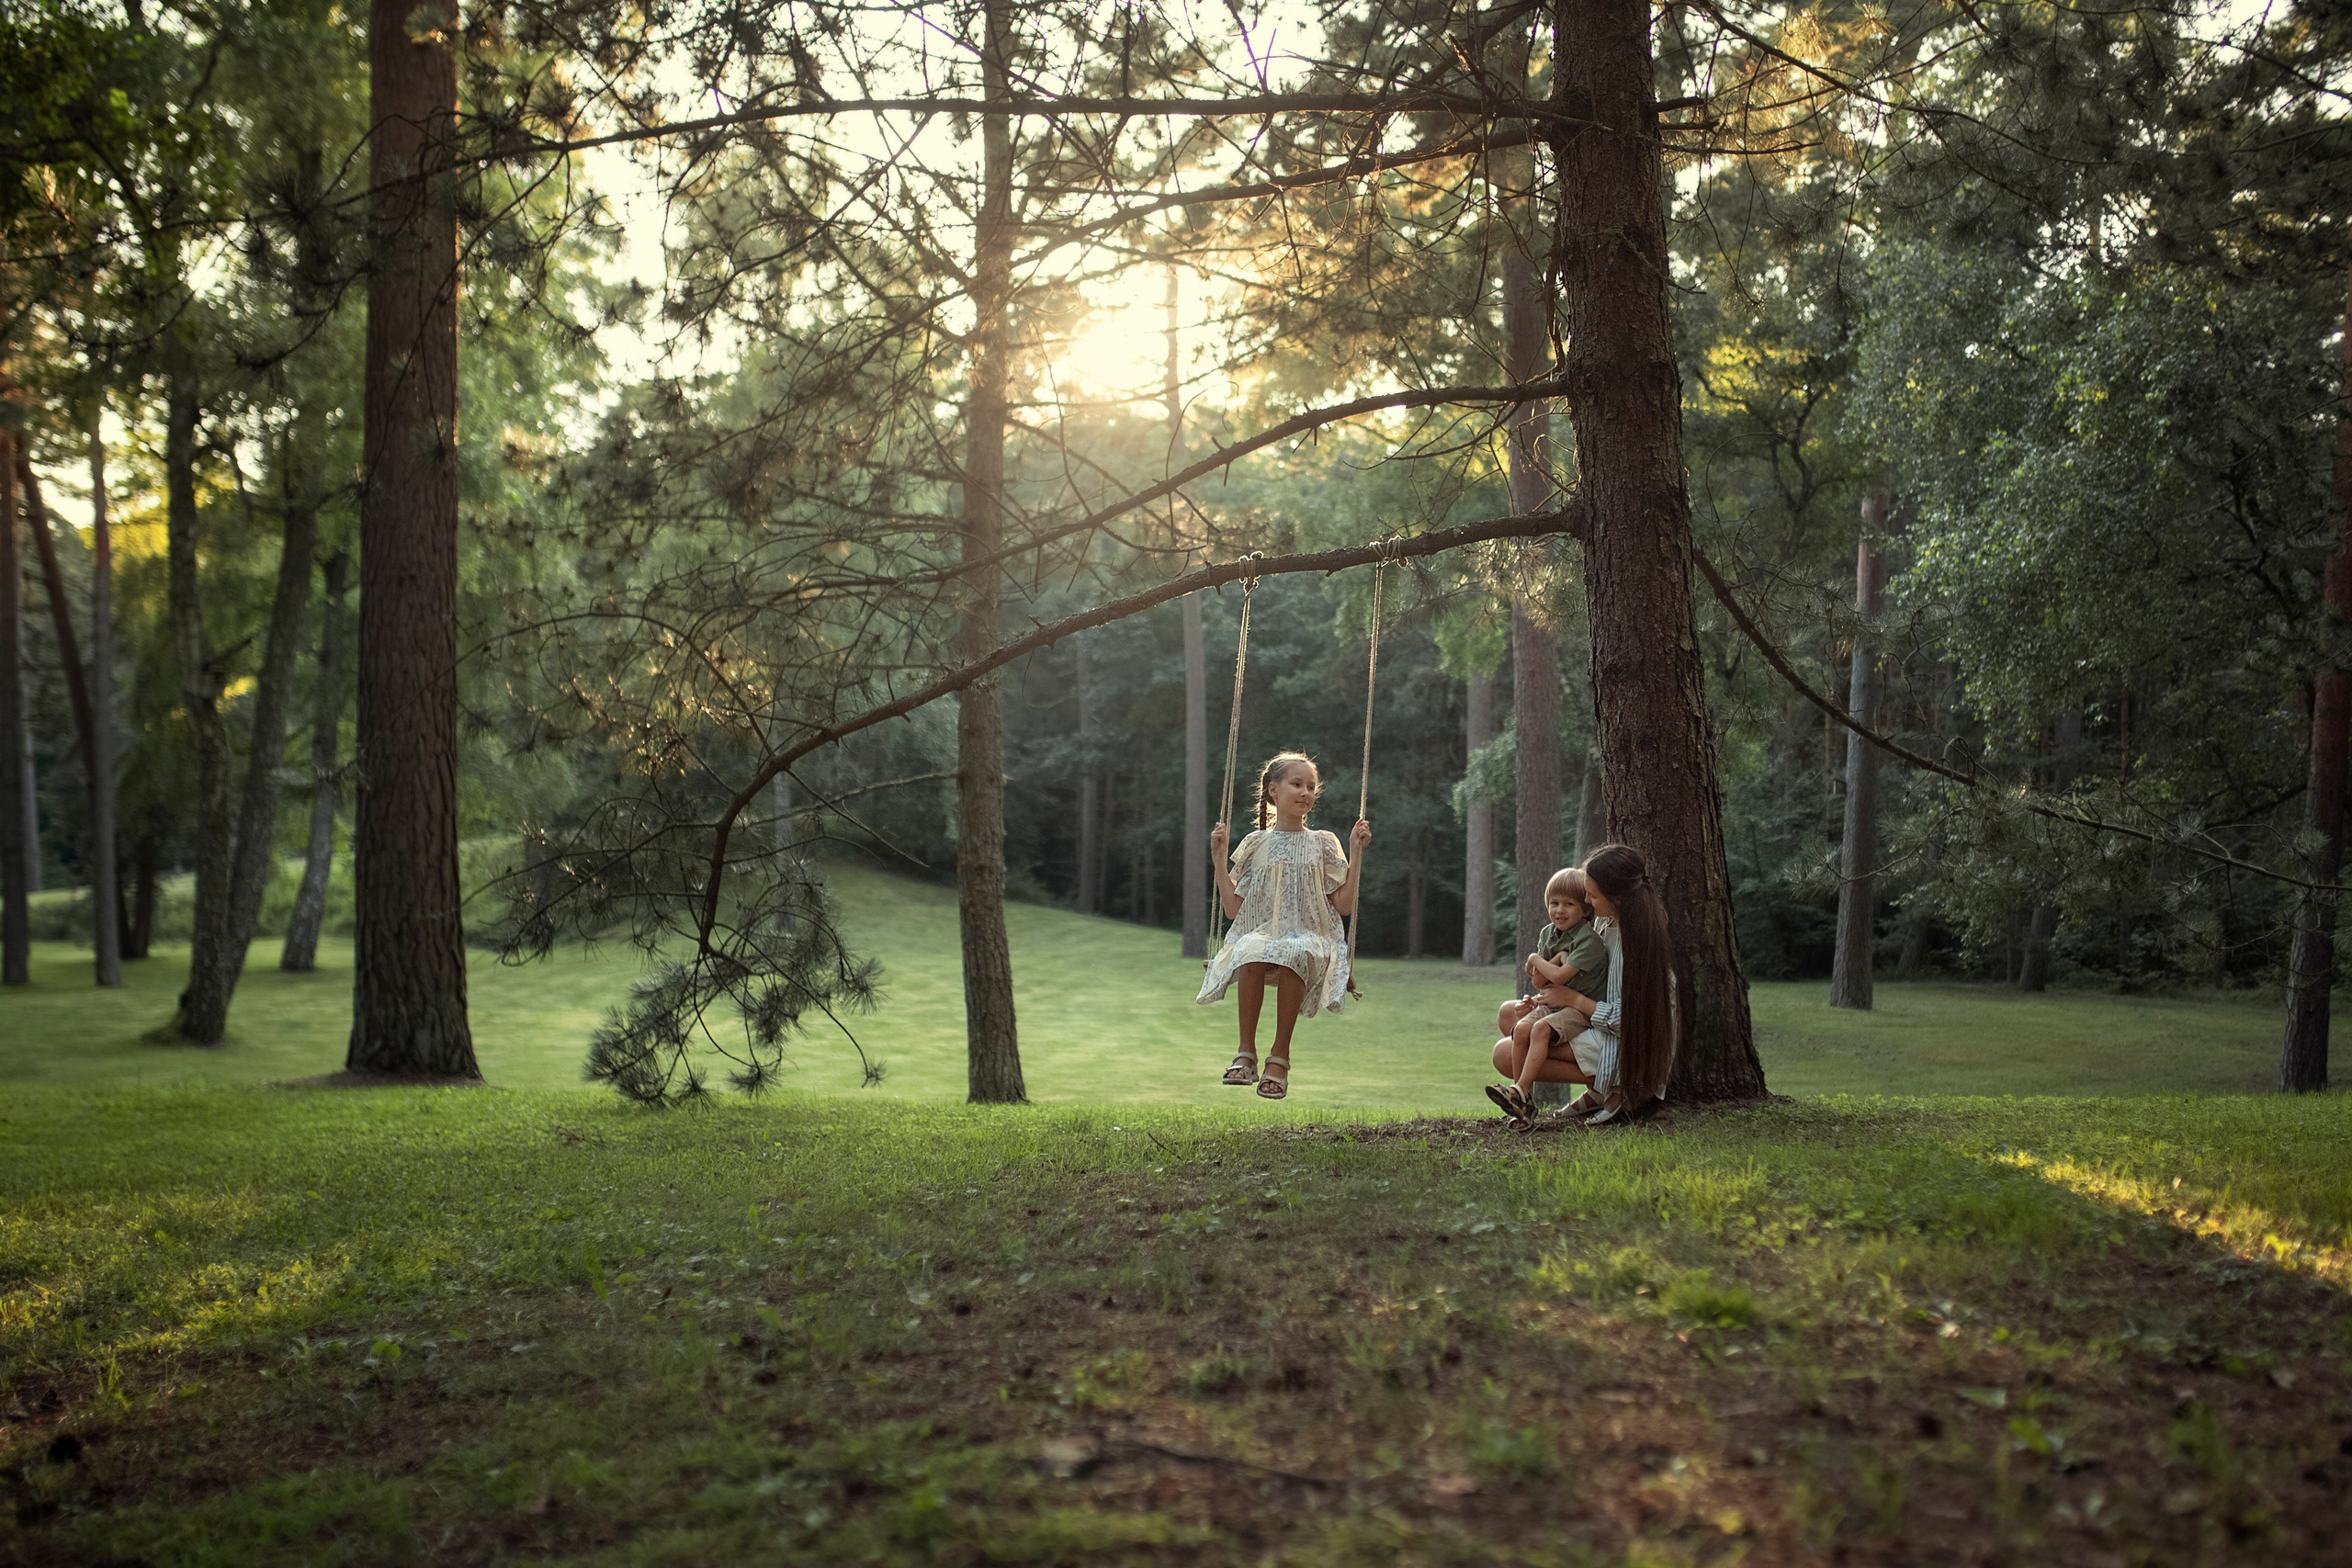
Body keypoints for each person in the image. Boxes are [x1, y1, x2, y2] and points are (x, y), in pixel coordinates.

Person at [1198, 751, 1372, 1100]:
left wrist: (1356, 853)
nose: (1306, 792)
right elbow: (1233, 910)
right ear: (1273, 791)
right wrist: (1219, 860)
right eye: (1297, 784)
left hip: (1312, 936)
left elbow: (1343, 904)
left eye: (1311, 787)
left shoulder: (1322, 842)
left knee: (1295, 950)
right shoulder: (1255, 844)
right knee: (1252, 948)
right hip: (1263, 933)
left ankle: (1279, 1059)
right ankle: (1245, 1053)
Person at [1487, 841, 1679, 1126]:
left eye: (1592, 896)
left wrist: (1572, 1000)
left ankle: (1616, 1086)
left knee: (1506, 1053)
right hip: (1595, 1017)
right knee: (1508, 1014)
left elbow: (1627, 1021)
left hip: (1627, 1043)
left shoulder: (1638, 947)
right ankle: (1529, 1096)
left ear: (1618, 898)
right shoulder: (1605, 922)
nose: (1586, 903)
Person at [1487, 868, 1608, 1127]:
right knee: (1521, 1030)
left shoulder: (1589, 942)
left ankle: (1519, 1091)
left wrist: (1535, 959)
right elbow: (1540, 981)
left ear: (1585, 910)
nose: (1559, 911)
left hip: (1580, 1009)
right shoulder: (1548, 934)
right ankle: (1522, 1101)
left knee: (1540, 1030)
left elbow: (1560, 977)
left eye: (1568, 904)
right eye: (1554, 903)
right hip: (1553, 1002)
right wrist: (1551, 961)